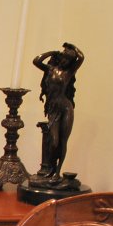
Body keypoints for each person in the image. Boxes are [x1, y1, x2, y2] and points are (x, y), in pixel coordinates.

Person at [32, 42, 84, 179]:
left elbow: (81, 57)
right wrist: (52, 52)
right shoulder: (49, 69)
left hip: (66, 108)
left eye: (68, 59)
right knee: (54, 140)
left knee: (62, 141)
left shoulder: (69, 72)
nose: (65, 61)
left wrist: (72, 46)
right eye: (64, 57)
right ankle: (50, 168)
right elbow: (36, 61)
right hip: (53, 109)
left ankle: (57, 172)